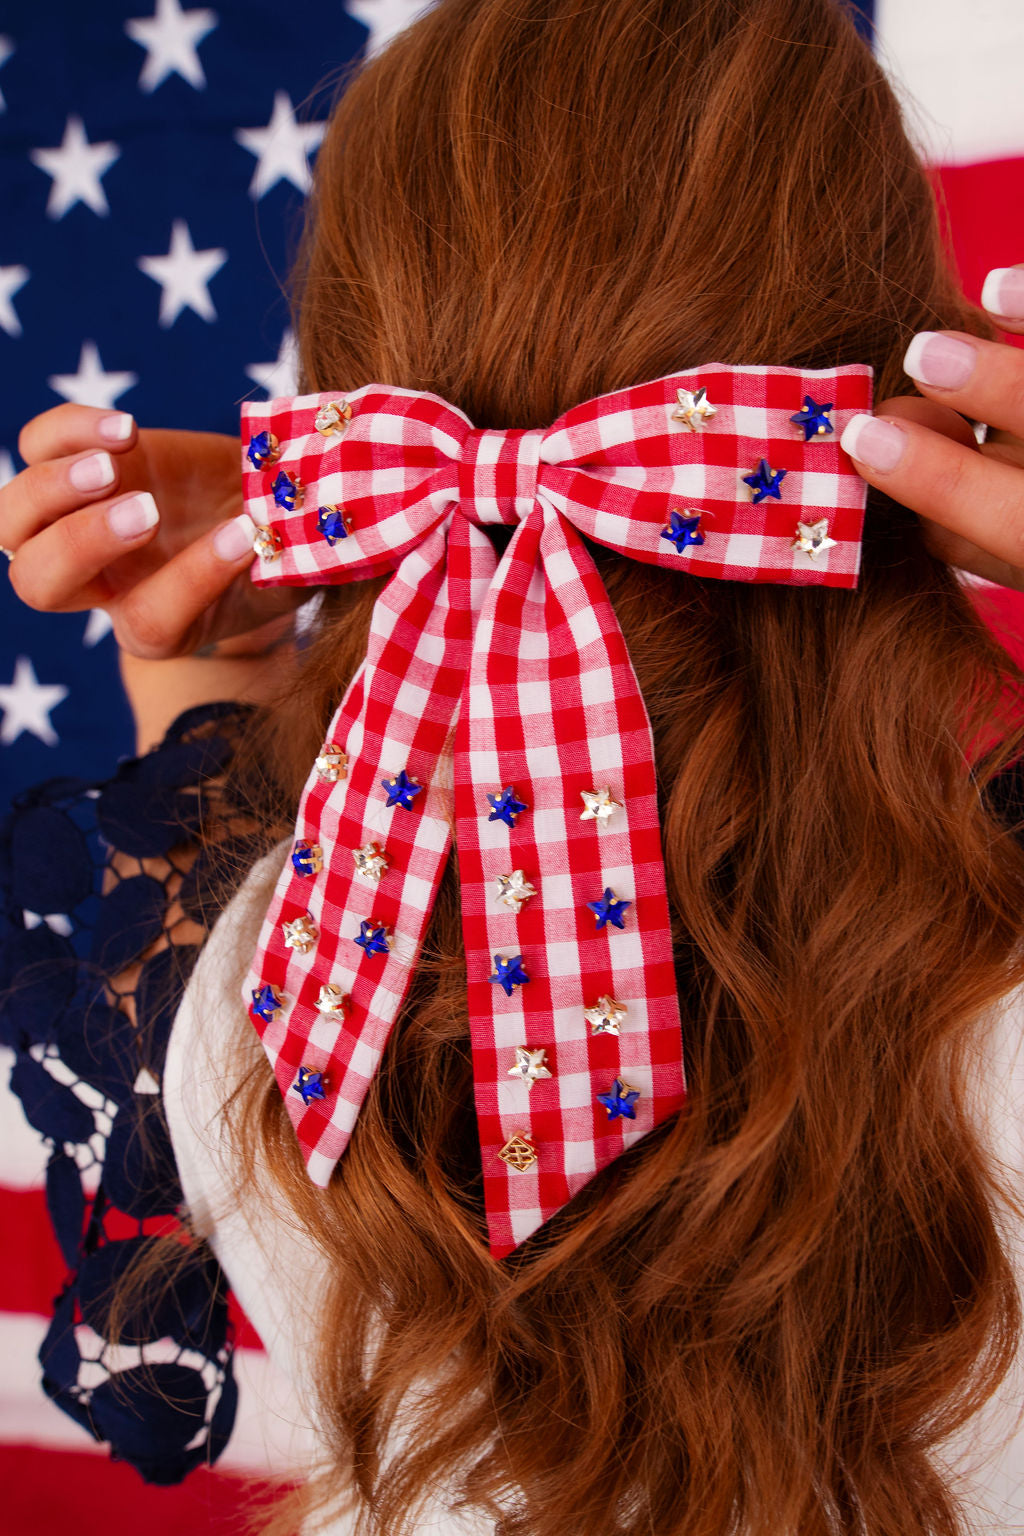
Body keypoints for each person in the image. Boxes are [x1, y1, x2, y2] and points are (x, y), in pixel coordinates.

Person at [4, 1, 1024, 1532]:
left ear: (354, 396)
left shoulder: (288, 1002)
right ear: (905, 403)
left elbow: (210, 828)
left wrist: (208, 611)